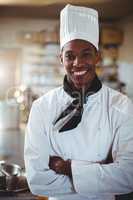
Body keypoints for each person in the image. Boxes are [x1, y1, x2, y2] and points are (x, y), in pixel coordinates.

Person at [24, 4, 133, 200]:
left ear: (97, 56)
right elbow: (37, 181)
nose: (78, 63)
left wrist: (66, 168)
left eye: (86, 54)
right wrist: (102, 174)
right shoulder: (42, 107)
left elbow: (128, 176)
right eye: (70, 56)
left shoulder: (121, 105)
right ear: (61, 59)